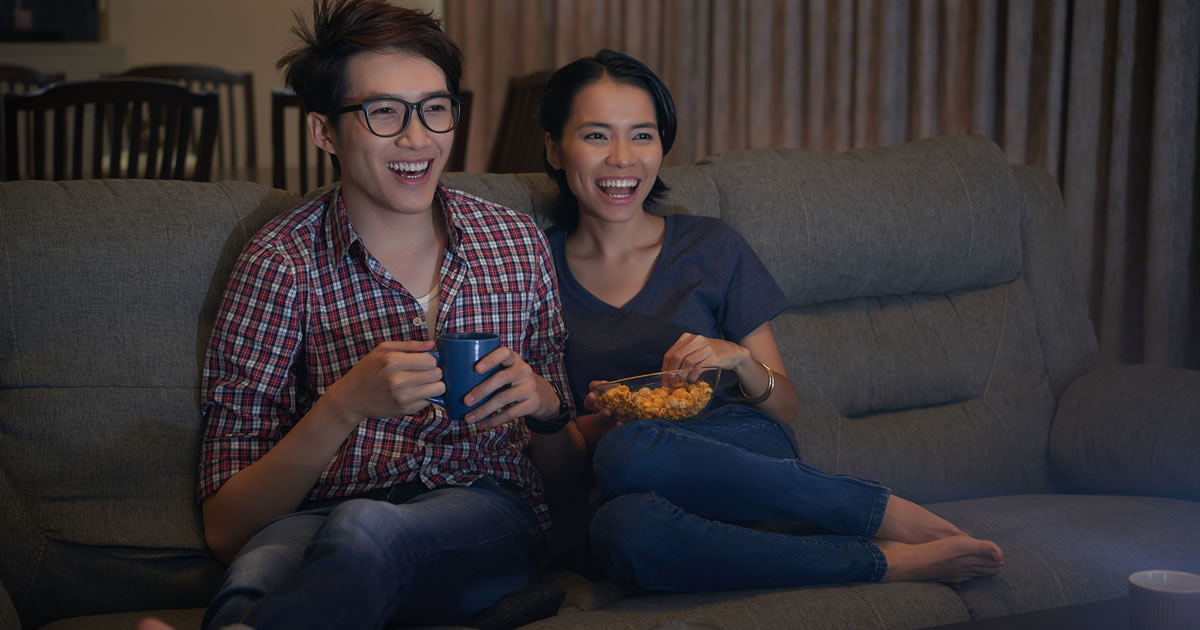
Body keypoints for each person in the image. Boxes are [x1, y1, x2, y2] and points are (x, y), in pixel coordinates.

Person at [143, 2, 586, 629]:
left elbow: (568, 493)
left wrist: (544, 406)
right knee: (258, 572)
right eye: (384, 113)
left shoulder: (514, 243)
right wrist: (343, 404)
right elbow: (227, 528)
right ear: (325, 132)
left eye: (436, 108)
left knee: (365, 527)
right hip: (313, 513)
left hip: (484, 513)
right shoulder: (281, 262)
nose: (418, 138)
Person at [537, 49, 1005, 592]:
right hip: (634, 482)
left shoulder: (711, 245)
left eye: (642, 135)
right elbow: (556, 459)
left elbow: (785, 405)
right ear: (554, 147)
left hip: (743, 446)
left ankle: (876, 512)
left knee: (630, 448)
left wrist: (738, 360)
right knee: (622, 525)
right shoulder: (533, 269)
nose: (622, 158)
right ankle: (885, 562)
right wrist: (601, 421)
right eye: (597, 136)